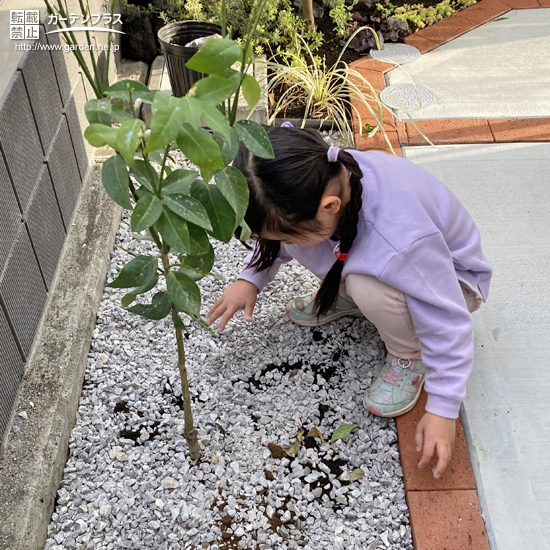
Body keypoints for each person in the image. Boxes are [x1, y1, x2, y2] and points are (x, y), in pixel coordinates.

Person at [206, 126, 492, 479]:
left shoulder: (400, 236)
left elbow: (448, 316)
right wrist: (250, 278)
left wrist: (444, 407)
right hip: (384, 259)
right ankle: (350, 295)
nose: (276, 242)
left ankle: (408, 353)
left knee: (364, 283)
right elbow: (278, 237)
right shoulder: (320, 179)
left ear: (330, 207)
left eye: (281, 234)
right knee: (324, 251)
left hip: (451, 283)